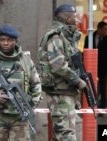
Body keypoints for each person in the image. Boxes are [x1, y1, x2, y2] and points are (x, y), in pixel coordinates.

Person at [0, 24, 42, 141]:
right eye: (2, 40)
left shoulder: (25, 60)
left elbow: (36, 85)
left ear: (15, 41)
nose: (5, 43)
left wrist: (29, 106)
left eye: (9, 40)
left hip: (20, 117)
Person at [37, 4, 87, 141]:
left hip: (65, 92)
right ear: (66, 18)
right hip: (58, 93)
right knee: (66, 136)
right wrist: (78, 81)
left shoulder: (66, 37)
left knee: (60, 135)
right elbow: (58, 66)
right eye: (73, 16)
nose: (76, 19)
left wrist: (75, 95)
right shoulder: (56, 36)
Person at [84, 21, 107, 109]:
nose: (106, 31)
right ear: (99, 29)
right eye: (105, 29)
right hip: (91, 66)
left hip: (103, 67)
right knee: (91, 86)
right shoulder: (89, 38)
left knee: (103, 87)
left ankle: (102, 107)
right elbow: (85, 51)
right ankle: (91, 105)